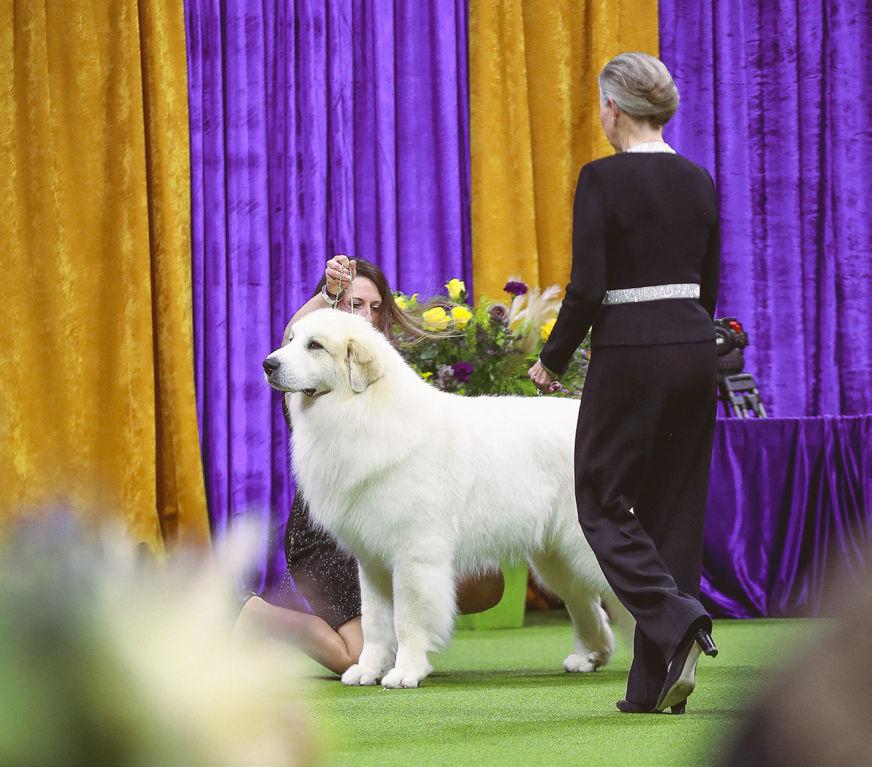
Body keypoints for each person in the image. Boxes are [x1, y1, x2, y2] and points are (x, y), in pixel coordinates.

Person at [528, 52, 720, 714]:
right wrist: (688, 338)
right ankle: (654, 685)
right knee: (675, 513)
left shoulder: (600, 179)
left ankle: (677, 618)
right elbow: (709, 283)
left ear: (612, 109)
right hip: (694, 349)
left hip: (630, 353)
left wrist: (552, 359)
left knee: (599, 499)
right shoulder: (699, 179)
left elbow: (587, 287)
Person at [237, 255, 504, 674]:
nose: (366, 314)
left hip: (391, 525)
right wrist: (326, 296)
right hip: (325, 540)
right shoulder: (306, 372)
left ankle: (402, 631)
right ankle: (253, 614)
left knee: (486, 581)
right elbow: (297, 333)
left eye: (376, 307)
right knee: (353, 657)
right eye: (355, 304)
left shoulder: (387, 373)